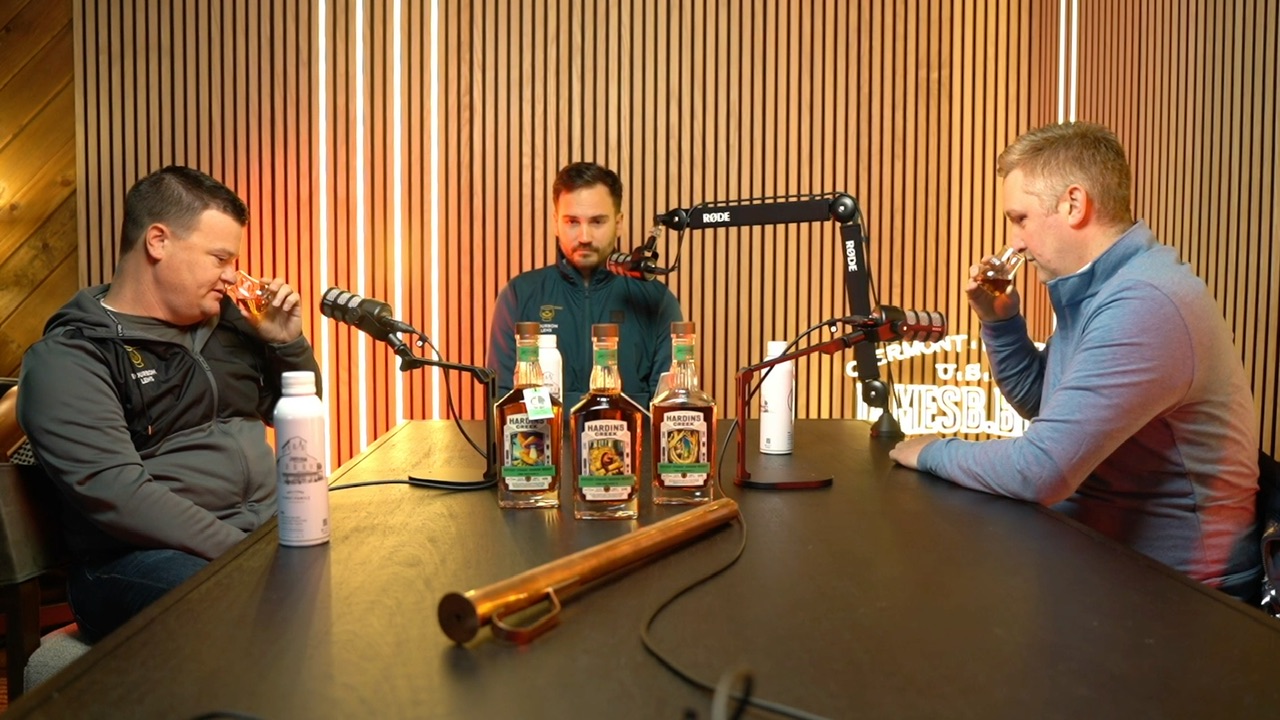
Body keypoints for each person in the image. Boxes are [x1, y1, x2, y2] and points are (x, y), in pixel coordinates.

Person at [888, 122, 1260, 595]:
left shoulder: (1144, 302)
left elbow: (1042, 470)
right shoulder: (1101, 287)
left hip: (1184, 598)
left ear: (1074, 204)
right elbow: (1046, 404)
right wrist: (1000, 321)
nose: (1014, 242)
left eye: (1019, 219)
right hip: (1110, 562)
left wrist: (932, 450)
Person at [17, 166, 320, 641]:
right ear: (158, 241)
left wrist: (287, 344)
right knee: (241, 603)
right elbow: (119, 493)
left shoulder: (232, 325)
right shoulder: (73, 355)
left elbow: (300, 415)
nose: (231, 277)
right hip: (135, 559)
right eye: (220, 258)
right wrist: (248, 554)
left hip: (259, 530)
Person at [487, 162, 682, 408]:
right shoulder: (519, 295)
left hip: (633, 445)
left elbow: (668, 406)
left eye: (597, 221)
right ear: (556, 222)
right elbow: (501, 402)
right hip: (538, 445)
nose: (585, 237)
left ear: (619, 222)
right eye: (572, 222)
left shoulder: (656, 301)